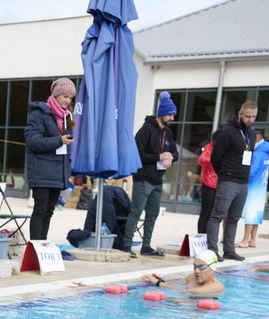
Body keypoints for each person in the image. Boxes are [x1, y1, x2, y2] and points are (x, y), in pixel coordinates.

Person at [125, 91, 179, 257]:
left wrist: (170, 157)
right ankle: (126, 244)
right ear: (161, 114)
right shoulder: (146, 130)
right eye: (170, 115)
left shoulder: (168, 132)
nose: (172, 118)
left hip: (157, 179)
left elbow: (175, 153)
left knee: (153, 213)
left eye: (173, 115)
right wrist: (158, 156)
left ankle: (146, 246)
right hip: (143, 177)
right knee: (136, 211)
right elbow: (136, 154)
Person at [207, 100, 258, 262]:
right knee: (217, 216)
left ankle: (229, 250)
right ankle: (212, 251)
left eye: (254, 117)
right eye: (248, 116)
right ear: (240, 114)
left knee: (234, 218)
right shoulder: (227, 132)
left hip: (243, 182)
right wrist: (225, 174)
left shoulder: (252, 134)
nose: (250, 119)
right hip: (228, 180)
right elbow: (215, 157)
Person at [25, 77, 75, 241]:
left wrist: (67, 172)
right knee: (40, 211)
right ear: (55, 95)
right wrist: (59, 140)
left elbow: (66, 149)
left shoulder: (67, 117)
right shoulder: (39, 114)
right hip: (41, 172)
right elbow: (33, 141)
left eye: (70, 98)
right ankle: (35, 248)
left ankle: (42, 246)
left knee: (48, 212)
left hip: (58, 174)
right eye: (65, 96)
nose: (67, 100)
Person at [237, 130, 269, 248]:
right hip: (261, 188)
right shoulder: (265, 153)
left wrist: (243, 179)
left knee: (250, 214)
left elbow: (252, 172)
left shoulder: (257, 154)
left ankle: (245, 240)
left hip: (253, 187)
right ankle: (253, 240)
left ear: (257, 138)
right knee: (256, 214)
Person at [140, 249, 225, 296]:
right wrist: (160, 280)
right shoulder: (192, 277)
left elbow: (187, 291)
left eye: (201, 267)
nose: (196, 271)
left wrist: (158, 283)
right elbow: (177, 283)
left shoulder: (215, 287)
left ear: (212, 267)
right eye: (194, 266)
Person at [83, 180, 132, 251]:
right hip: (108, 208)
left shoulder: (108, 188)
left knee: (89, 225)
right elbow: (123, 203)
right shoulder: (119, 190)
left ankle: (85, 241)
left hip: (95, 204)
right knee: (107, 230)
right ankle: (109, 245)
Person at [197, 131, 218, 234]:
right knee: (205, 212)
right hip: (208, 184)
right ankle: (201, 235)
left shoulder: (224, 149)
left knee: (214, 214)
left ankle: (209, 235)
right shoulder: (209, 147)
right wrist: (213, 159)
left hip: (219, 185)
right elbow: (201, 160)